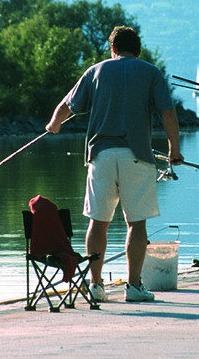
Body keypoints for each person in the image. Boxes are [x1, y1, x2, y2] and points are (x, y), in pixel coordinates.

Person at [46, 26, 183, 302]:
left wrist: (54, 124)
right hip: (138, 157)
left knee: (98, 222)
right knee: (136, 223)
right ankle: (133, 287)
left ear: (113, 49)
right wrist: (174, 150)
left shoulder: (96, 71)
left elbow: (67, 105)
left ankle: (96, 286)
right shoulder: (151, 72)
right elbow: (167, 113)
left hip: (101, 155)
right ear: (138, 49)